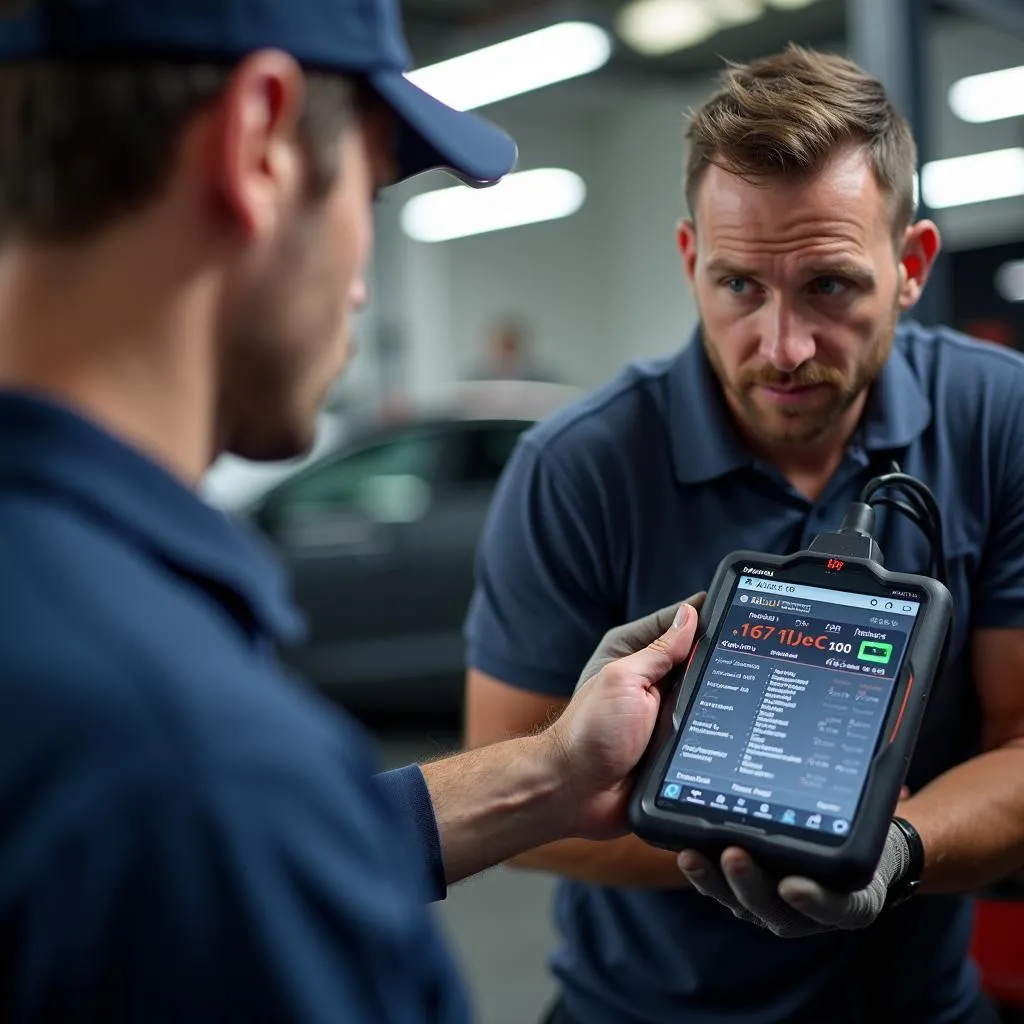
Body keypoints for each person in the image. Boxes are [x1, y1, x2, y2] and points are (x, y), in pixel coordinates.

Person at [0, 1, 703, 1021]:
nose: (364, 286)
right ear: (261, 146)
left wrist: (551, 774)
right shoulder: (191, 760)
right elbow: (233, 830)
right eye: (369, 191)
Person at [465, 45, 1024, 1024]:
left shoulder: (997, 419)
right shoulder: (577, 466)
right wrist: (758, 833)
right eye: (737, 287)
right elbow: (514, 795)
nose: (781, 347)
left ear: (910, 266)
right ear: (691, 260)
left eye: (830, 288)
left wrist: (888, 851)